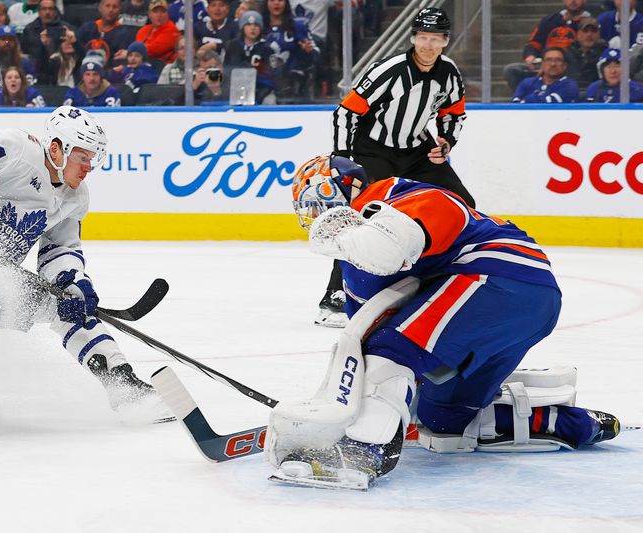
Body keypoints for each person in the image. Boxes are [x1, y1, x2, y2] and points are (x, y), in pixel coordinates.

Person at [268, 154, 625, 489]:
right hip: (520, 307)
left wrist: (358, 238)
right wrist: (347, 399)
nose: (318, 217)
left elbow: (427, 221)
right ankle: (572, 424)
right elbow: (363, 332)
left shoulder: (390, 194)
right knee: (446, 421)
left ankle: (362, 452)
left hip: (497, 279)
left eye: (319, 201)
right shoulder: (355, 263)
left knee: (392, 349)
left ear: (348, 187)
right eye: (310, 209)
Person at [0, 106, 172, 448]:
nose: (89, 167)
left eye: (92, 158)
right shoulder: (19, 150)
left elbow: (59, 249)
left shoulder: (75, 196)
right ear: (56, 149)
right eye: (82, 157)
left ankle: (125, 387)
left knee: (66, 307)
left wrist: (72, 282)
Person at [325, 7, 474, 329]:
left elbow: (454, 113)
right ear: (412, 38)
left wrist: (446, 141)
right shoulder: (389, 70)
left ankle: (439, 278)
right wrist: (343, 157)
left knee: (461, 204)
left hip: (417, 151)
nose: (428, 45)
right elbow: (346, 112)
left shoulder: (449, 72)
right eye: (423, 37)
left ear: (446, 41)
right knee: (361, 217)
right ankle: (336, 293)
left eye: (435, 39)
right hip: (373, 150)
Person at [503, 0, 592, 92]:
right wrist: (531, 56)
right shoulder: (550, 20)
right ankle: (524, 100)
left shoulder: (590, 24)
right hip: (544, 65)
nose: (573, 1)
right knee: (512, 70)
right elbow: (533, 43)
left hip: (571, 68)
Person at [261, 0, 319, 101]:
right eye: (272, 0)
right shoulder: (259, 26)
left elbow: (315, 54)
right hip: (263, 85)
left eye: (280, 0)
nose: (276, 3)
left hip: (293, 87)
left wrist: (307, 51)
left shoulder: (298, 26)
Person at [224, 11, 275, 104]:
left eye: (256, 25)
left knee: (270, 101)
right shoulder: (232, 46)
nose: (253, 28)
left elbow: (269, 75)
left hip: (260, 89)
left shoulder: (266, 48)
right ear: (242, 27)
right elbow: (226, 69)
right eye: (248, 24)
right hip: (234, 89)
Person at [19, 0, 73, 84]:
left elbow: (69, 56)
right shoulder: (29, 30)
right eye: (44, 9)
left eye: (50, 9)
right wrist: (42, 45)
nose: (47, 12)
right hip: (36, 73)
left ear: (55, 11)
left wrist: (49, 46)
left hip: (60, 72)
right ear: (39, 11)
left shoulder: (65, 29)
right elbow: (27, 54)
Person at [76, 0, 135, 67]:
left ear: (120, 10)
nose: (110, 10)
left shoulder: (125, 34)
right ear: (100, 8)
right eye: (107, 6)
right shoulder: (86, 28)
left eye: (115, 7)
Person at [511, 46, 579, 103]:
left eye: (558, 60)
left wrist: (525, 100)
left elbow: (548, 104)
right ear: (542, 64)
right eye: (548, 60)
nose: (553, 64)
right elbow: (515, 103)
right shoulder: (527, 83)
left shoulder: (570, 85)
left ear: (565, 65)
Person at [565, 16, 607, 94]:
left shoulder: (605, 55)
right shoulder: (566, 54)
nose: (589, 34)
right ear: (578, 34)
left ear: (598, 34)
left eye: (593, 31)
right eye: (585, 31)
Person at [135, 0, 180, 64]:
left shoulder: (172, 30)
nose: (159, 15)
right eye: (155, 11)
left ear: (168, 14)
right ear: (149, 14)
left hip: (162, 67)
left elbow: (153, 51)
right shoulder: (143, 30)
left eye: (163, 11)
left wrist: (132, 52)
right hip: (144, 64)